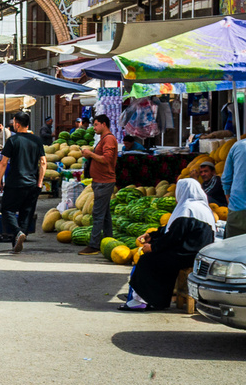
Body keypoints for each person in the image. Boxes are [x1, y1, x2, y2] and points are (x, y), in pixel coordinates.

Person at [121, 178, 216, 311]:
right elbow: (172, 230)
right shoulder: (203, 207)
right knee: (158, 256)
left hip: (185, 254)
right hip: (196, 253)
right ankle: (154, 298)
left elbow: (173, 237)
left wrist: (153, 247)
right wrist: (152, 236)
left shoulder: (186, 208)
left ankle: (141, 300)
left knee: (147, 260)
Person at [0, 112, 46, 254]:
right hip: (32, 184)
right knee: (26, 213)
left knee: (7, 210)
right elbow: (43, 162)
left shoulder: (13, 140)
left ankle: (17, 232)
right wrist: (40, 182)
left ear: (17, 123)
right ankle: (18, 239)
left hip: (15, 183)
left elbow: (3, 162)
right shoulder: (37, 140)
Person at [79, 114, 118, 256]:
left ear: (104, 124)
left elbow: (107, 160)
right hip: (100, 181)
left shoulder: (108, 139)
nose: (94, 128)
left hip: (104, 181)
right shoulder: (104, 139)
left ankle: (94, 245)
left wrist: (90, 154)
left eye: (96, 125)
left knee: (98, 213)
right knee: (105, 214)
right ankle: (109, 240)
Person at [222, 135, 246, 239]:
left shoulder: (238, 146)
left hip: (238, 208)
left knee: (231, 251)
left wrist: (230, 200)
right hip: (237, 206)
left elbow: (226, 179)